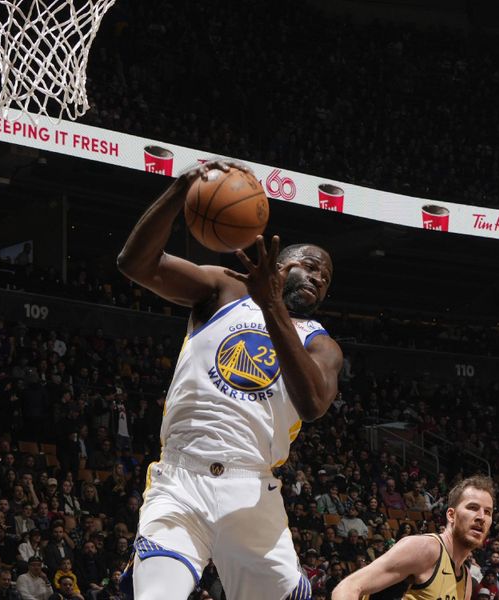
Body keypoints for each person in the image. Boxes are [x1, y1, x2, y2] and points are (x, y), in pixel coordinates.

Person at [117, 160, 343, 600]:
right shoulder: (225, 289)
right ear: (279, 263)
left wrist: (273, 306)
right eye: (310, 266)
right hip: (181, 477)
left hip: (252, 490)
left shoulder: (321, 344)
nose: (318, 279)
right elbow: (135, 264)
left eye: (326, 279)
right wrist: (181, 189)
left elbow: (313, 404)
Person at [332, 475, 495, 600]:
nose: (481, 517)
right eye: (473, 507)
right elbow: (347, 588)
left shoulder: (466, 581)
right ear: (451, 515)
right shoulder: (425, 549)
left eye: (488, 512)